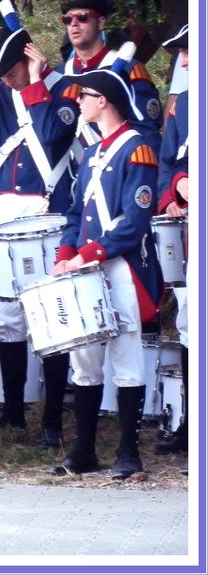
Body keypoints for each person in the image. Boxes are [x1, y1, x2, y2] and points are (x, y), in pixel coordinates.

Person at [0, 17, 79, 449]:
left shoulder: (62, 90)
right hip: (6, 213)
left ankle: (52, 422)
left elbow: (55, 134)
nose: (7, 79)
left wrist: (36, 83)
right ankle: (12, 413)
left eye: (13, 70)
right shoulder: (0, 93)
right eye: (2, 73)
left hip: (49, 210)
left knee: (53, 316)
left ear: (31, 58)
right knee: (8, 318)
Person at [48, 68, 162, 480]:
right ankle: (83, 451)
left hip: (121, 267)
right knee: (85, 359)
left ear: (104, 101)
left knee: (127, 357)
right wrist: (65, 252)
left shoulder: (138, 148)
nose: (77, 102)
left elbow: (136, 220)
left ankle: (129, 452)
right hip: (84, 266)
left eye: (85, 96)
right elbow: (77, 212)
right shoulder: (91, 153)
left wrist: (89, 255)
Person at [57, 0, 162, 155]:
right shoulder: (60, 74)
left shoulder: (130, 70)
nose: (73, 24)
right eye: (67, 19)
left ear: (101, 22)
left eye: (82, 17)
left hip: (113, 172)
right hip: (69, 177)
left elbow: (146, 134)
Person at [153, 24, 189, 460]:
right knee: (189, 327)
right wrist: (175, 191)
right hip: (191, 230)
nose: (182, 61)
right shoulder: (182, 111)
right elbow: (167, 163)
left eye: (188, 51)